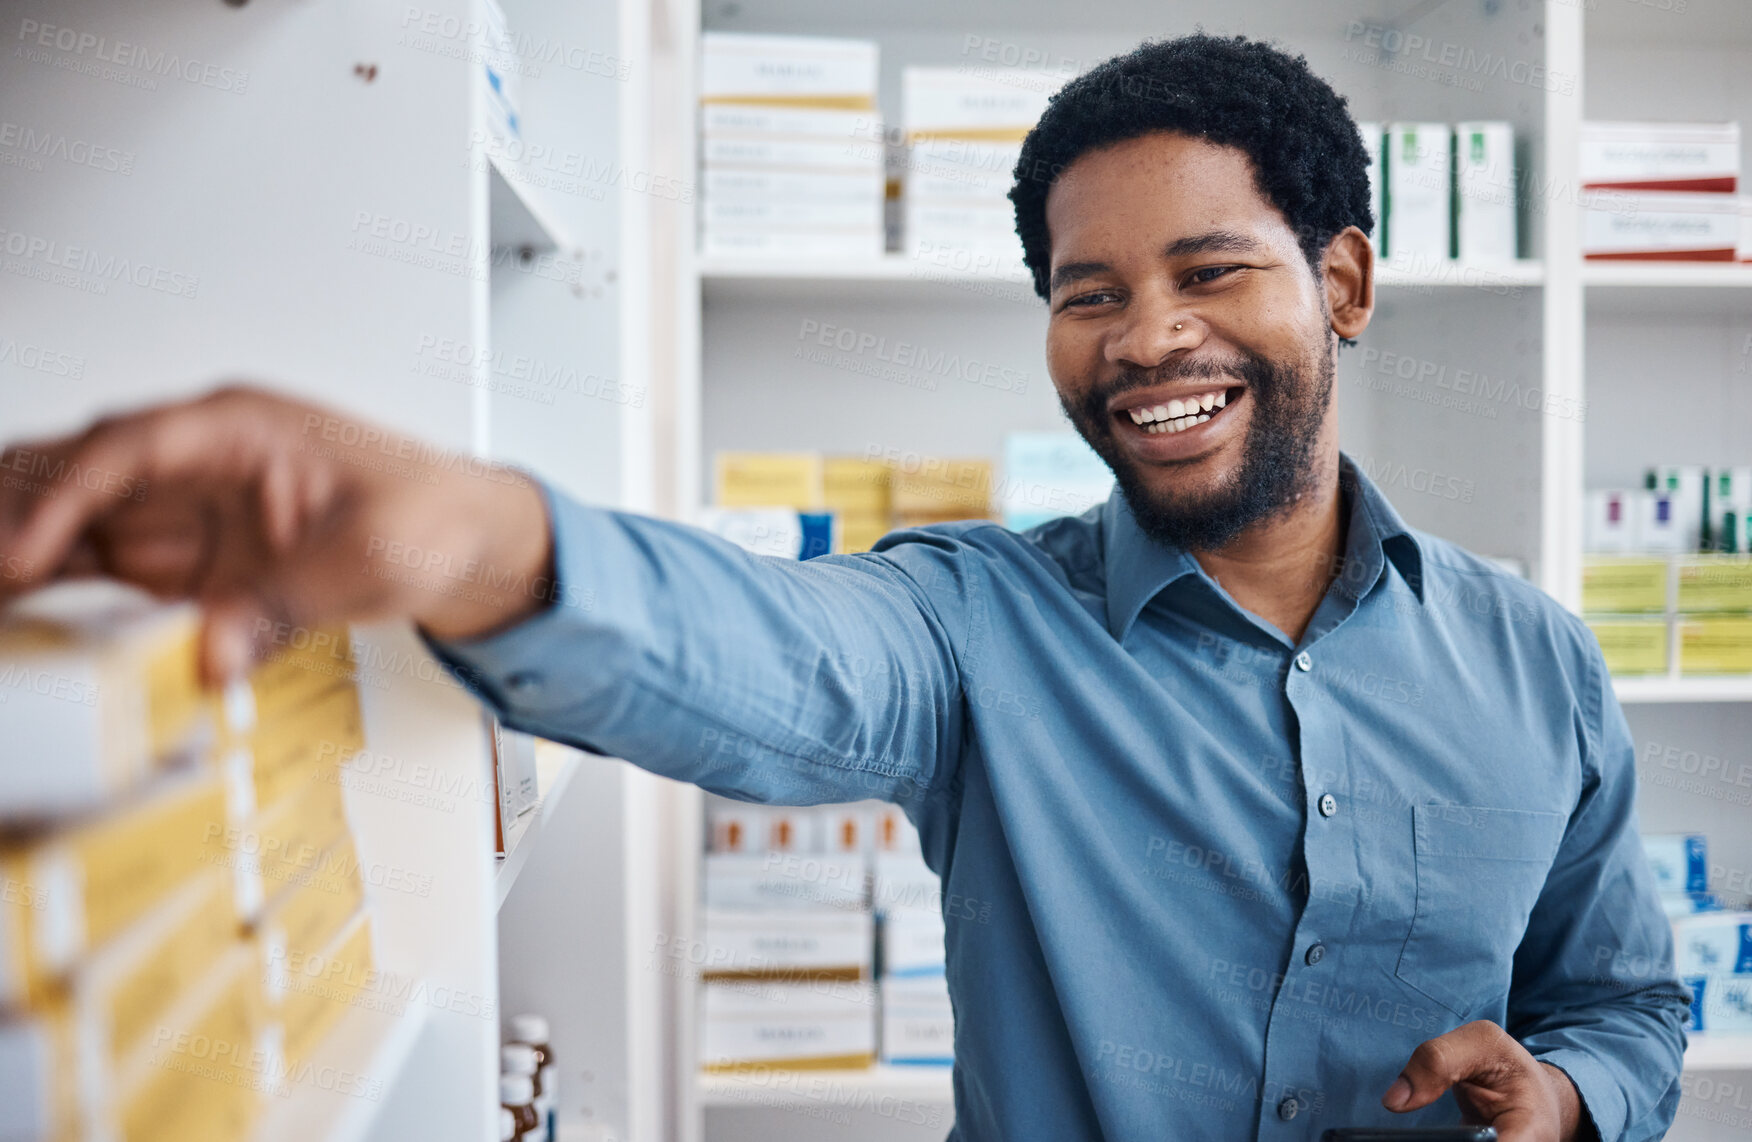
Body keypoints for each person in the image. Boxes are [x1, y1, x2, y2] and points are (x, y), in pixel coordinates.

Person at [0, 33, 1685, 1142]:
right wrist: (467, 530)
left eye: (1211, 270)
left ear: (1345, 284)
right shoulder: (968, 624)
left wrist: (1572, 1094)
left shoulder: (1532, 657)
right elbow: (772, 658)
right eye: (1087, 290)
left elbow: (1623, 996)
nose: (1147, 335)